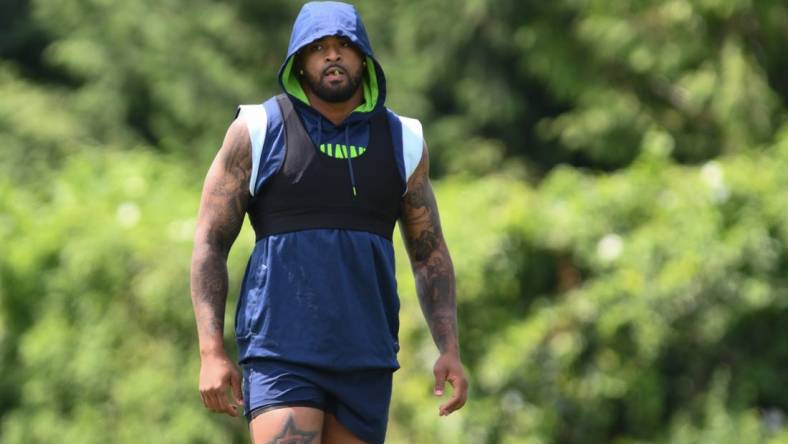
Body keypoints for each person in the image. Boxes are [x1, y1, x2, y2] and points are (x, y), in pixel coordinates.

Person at [190, 2, 468, 443]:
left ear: (365, 58)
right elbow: (210, 241)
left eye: (344, 46)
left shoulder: (404, 140)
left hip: (366, 353)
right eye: (318, 48)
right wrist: (211, 351)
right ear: (299, 63)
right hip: (280, 350)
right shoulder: (258, 129)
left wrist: (449, 348)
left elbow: (428, 253)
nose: (332, 56)